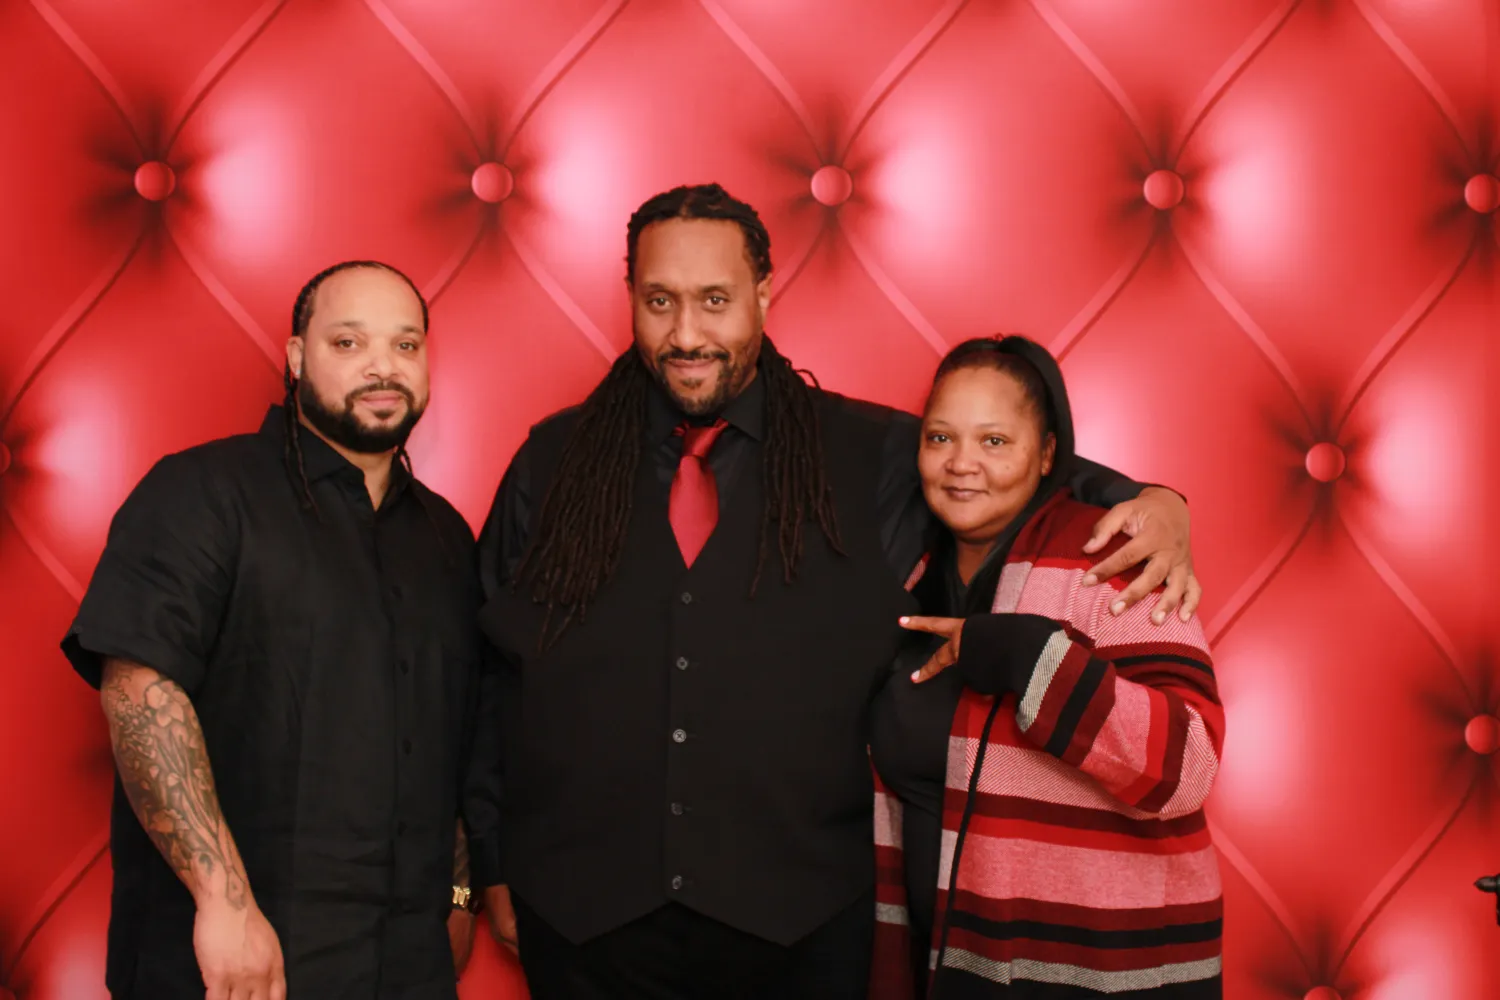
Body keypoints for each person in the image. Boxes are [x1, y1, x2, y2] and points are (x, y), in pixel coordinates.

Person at [465, 183, 1201, 999]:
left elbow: (1002, 474)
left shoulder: (873, 455)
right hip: (584, 929)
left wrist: (1154, 501)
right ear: (631, 298)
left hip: (802, 936)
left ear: (764, 296)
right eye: (659, 301)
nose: (686, 333)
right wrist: (494, 864)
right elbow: (495, 677)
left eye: (715, 300)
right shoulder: (550, 461)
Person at [60, 261, 486, 1000]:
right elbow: (137, 692)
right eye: (348, 343)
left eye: (406, 345)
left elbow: (449, 731)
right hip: (242, 960)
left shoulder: (447, 537)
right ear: (295, 358)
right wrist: (225, 905)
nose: (383, 365)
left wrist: (453, 896)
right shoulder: (201, 492)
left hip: (407, 964)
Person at [868, 336, 1223, 998]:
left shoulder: (1111, 558)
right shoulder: (904, 574)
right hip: (943, 972)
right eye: (940, 438)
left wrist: (1029, 658)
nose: (961, 464)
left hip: (1102, 980)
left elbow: (1188, 764)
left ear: (1048, 455)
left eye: (994, 442)